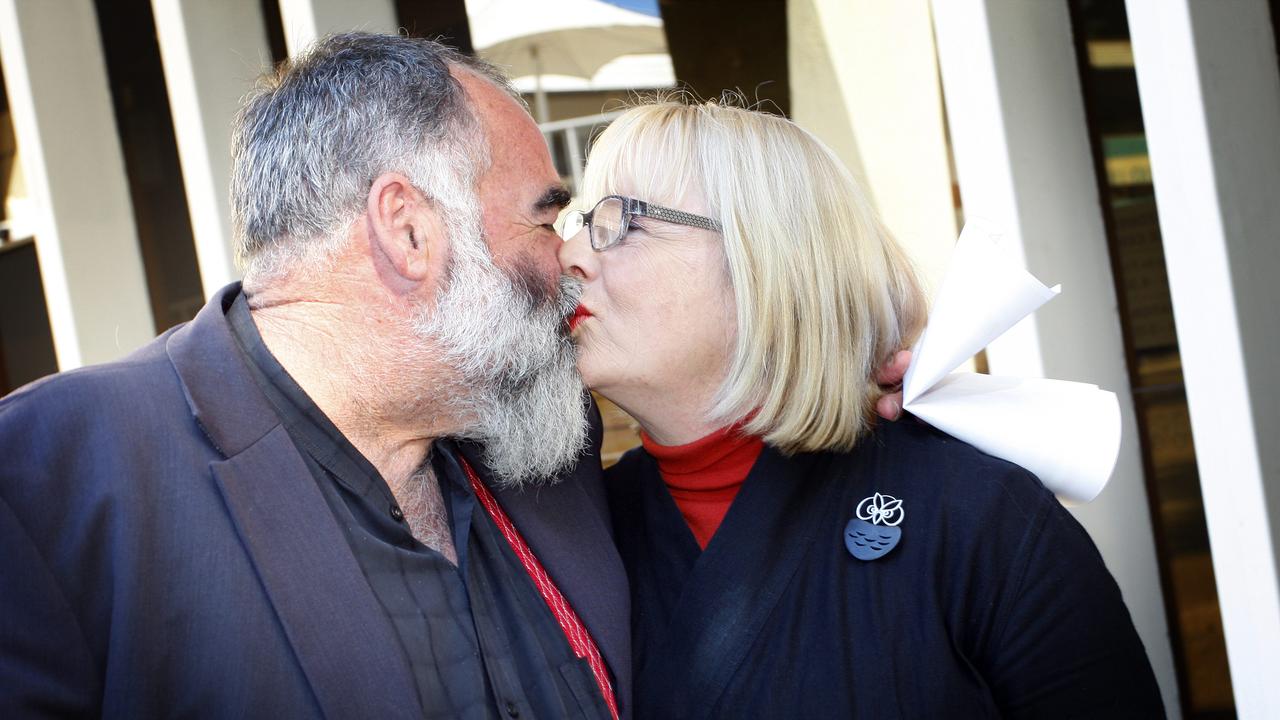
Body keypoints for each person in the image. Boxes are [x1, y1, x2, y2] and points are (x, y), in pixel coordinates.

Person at [0, 34, 629, 719]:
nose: (570, 256)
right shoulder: (47, 478)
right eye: (545, 219)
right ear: (408, 231)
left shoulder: (546, 441)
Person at [558, 100, 1167, 719]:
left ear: (767, 261)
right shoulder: (578, 532)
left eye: (620, 221)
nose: (571, 255)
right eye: (579, 222)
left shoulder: (975, 517)